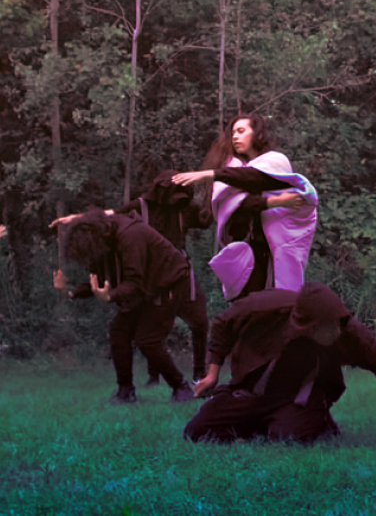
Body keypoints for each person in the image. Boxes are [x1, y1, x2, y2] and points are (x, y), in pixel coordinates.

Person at [184, 282, 376, 443]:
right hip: (255, 392)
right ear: (307, 325)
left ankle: (311, 423)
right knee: (197, 432)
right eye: (326, 327)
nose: (334, 332)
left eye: (337, 324)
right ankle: (252, 416)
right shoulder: (268, 306)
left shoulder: (348, 333)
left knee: (290, 439)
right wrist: (212, 372)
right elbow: (223, 323)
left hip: (300, 399)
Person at [51, 170, 211, 383]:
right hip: (147, 274)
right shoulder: (138, 210)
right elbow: (112, 214)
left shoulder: (180, 212)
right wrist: (78, 220)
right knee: (130, 332)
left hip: (172, 272)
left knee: (190, 324)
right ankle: (146, 382)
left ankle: (195, 377)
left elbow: (206, 219)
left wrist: (218, 189)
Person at [53, 209, 196, 404]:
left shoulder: (131, 236)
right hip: (146, 287)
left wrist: (110, 296)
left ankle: (181, 388)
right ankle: (125, 391)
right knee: (119, 332)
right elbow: (100, 283)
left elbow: (134, 283)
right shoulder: (105, 239)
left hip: (168, 283)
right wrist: (68, 291)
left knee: (147, 339)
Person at [172, 114, 318, 302]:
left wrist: (211, 174)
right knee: (247, 309)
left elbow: (256, 178)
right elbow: (237, 208)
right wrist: (272, 203)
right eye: (233, 133)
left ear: (257, 134)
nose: (235, 137)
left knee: (276, 304)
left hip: (274, 252)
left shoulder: (274, 161)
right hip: (248, 254)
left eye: (241, 131)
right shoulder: (233, 170)